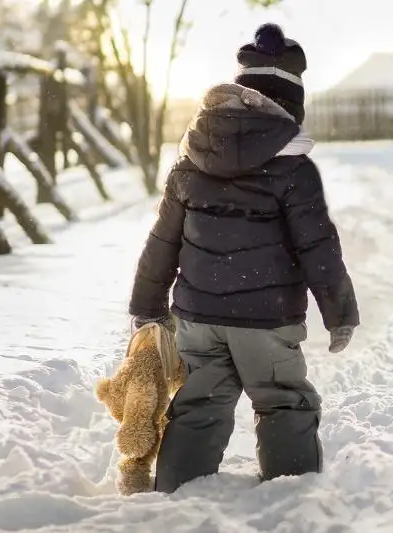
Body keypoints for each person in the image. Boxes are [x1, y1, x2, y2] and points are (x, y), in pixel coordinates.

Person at [128, 22, 360, 494]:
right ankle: (290, 493)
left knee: (198, 404)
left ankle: (176, 495)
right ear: (291, 104)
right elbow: (318, 246)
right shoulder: (294, 170)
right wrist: (339, 312)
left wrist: (147, 306)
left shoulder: (191, 160)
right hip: (267, 321)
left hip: (199, 317)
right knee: (283, 401)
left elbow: (162, 241)